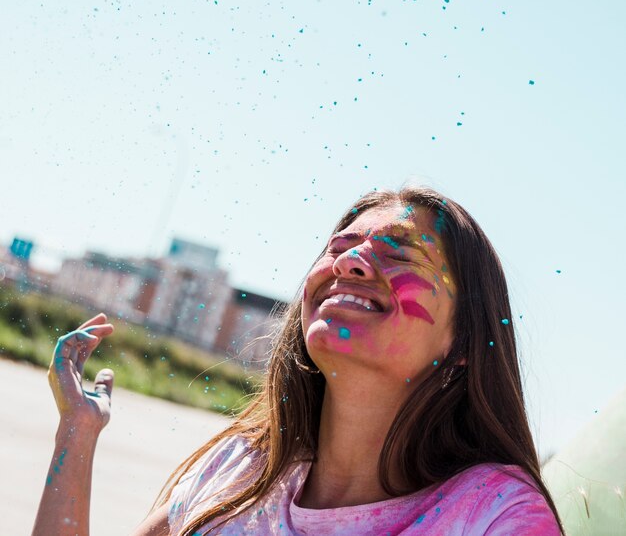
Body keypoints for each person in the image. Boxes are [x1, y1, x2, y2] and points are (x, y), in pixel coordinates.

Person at [33, 186, 564, 535]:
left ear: (465, 343)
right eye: (340, 246)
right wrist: (76, 436)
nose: (352, 260)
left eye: (400, 253)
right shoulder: (237, 471)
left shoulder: (497, 517)